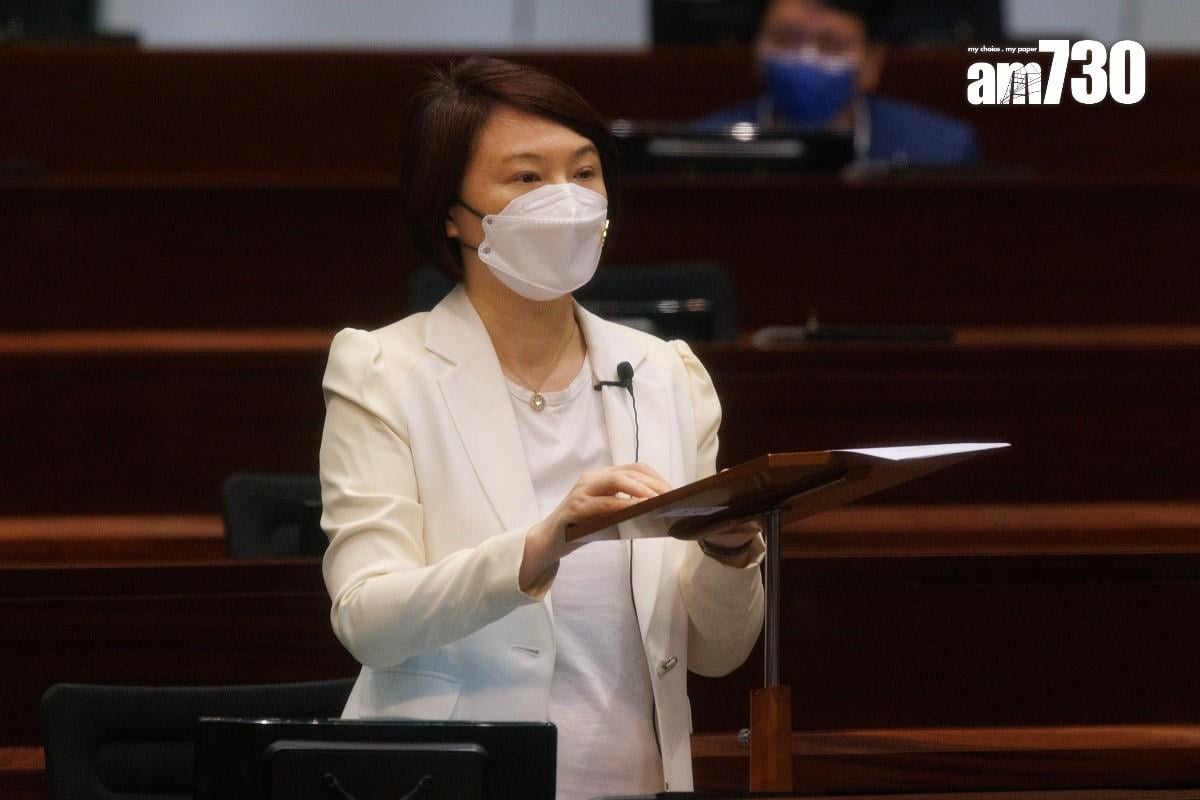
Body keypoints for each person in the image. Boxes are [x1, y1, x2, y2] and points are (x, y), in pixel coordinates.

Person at [318, 56, 765, 799]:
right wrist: (540, 545)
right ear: (451, 214)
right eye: (527, 177)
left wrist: (728, 554)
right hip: (452, 779)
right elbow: (368, 619)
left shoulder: (666, 374)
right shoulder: (382, 371)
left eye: (584, 173)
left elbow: (717, 654)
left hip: (638, 777)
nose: (567, 200)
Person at [698, 0, 981, 167]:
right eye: (787, 39)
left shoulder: (941, 152)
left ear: (871, 63)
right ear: (756, 50)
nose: (807, 60)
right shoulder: (704, 150)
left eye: (831, 45)